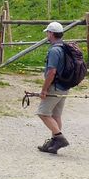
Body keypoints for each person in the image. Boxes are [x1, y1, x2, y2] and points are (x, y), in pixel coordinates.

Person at [35, 21, 72, 154]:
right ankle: (53, 144)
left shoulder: (54, 50)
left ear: (51, 33)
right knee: (56, 115)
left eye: (47, 33)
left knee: (43, 113)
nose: (47, 35)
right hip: (64, 85)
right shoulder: (64, 47)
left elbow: (51, 72)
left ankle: (58, 137)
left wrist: (44, 90)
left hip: (55, 86)